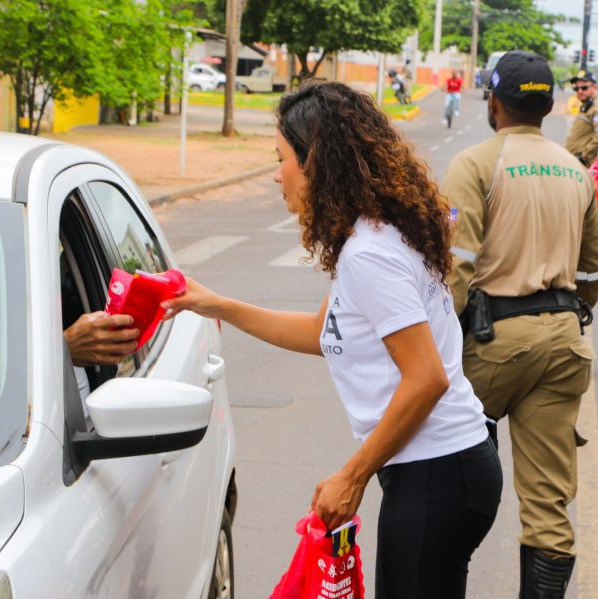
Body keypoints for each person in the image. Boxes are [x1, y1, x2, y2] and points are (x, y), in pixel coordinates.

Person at [162, 81, 502, 598]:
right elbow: (325, 334)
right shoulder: (366, 238)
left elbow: (426, 378)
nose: (276, 173)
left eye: (282, 158)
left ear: (317, 162)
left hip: (439, 473)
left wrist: (353, 475)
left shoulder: (370, 253)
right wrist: (216, 304)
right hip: (441, 471)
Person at [441, 50, 598, 598]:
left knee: (442, 470)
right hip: (563, 342)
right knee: (548, 504)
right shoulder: (576, 171)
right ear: (550, 105)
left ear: (494, 102)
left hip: (492, 346)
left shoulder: (476, 164)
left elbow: (456, 270)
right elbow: (594, 271)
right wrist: (563, 308)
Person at [565, 70, 598, 166]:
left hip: (582, 164)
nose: (580, 91)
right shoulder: (587, 106)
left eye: (584, 88)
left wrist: (584, 156)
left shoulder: (597, 108)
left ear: (594, 87)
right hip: (574, 162)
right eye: (576, 88)